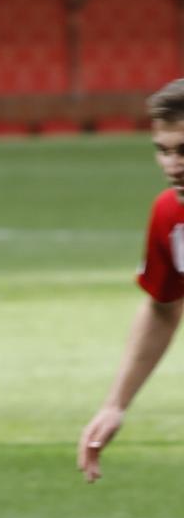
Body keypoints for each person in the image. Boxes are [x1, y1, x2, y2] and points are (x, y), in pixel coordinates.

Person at [77, 78, 184, 483]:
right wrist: (115, 404)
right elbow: (162, 309)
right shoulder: (170, 216)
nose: (173, 166)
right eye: (163, 151)